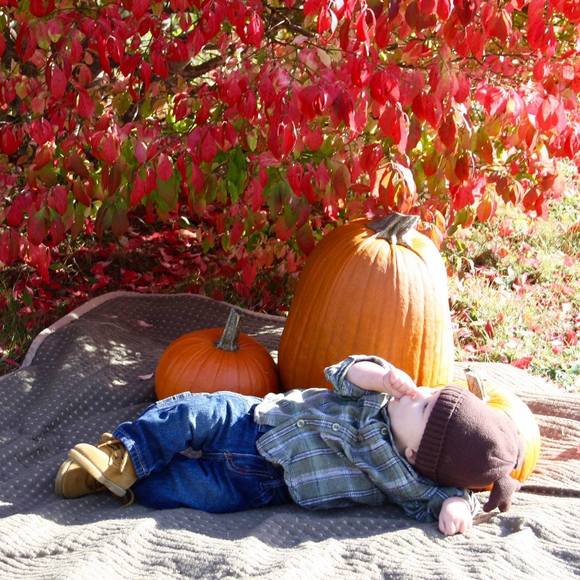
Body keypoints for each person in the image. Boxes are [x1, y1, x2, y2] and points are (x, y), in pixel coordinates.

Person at [55, 355, 524, 536]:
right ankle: (125, 454)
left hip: (262, 483)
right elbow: (344, 370)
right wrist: (381, 376)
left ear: (416, 456)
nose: (417, 394)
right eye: (431, 392)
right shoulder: (377, 397)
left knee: (193, 491)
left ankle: (122, 484)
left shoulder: (409, 482)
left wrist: (458, 505)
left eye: (423, 409)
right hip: (253, 421)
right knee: (190, 412)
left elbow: (446, 497)